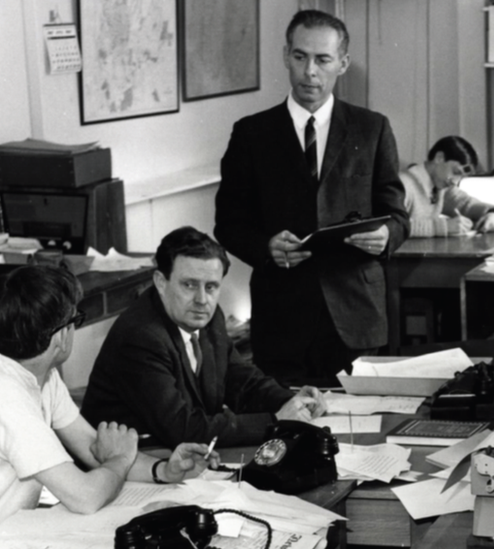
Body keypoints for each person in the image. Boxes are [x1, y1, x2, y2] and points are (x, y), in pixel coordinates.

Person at [214, 10, 409, 386]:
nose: (310, 72)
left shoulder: (372, 129)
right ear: (286, 55)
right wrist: (265, 247)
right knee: (290, 427)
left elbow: (397, 216)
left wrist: (386, 236)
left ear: (343, 63)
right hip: (282, 318)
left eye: (323, 59)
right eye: (300, 57)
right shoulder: (252, 134)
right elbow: (228, 223)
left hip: (356, 316)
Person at [0, 266, 215, 523]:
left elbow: (93, 446)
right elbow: (86, 497)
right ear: (60, 336)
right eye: (74, 319)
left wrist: (164, 470)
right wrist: (121, 458)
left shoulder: (41, 375)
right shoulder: (9, 398)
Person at [82, 227, 328, 449]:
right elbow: (181, 428)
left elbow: (242, 382)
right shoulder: (140, 337)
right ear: (160, 282)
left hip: (183, 453)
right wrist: (277, 421)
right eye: (189, 285)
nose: (202, 300)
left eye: (211, 287)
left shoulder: (207, 316)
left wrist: (293, 401)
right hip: (133, 461)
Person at [401, 136, 494, 237]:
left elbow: (467, 204)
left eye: (460, 177)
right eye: (456, 172)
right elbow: (391, 228)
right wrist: (444, 227)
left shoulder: (441, 187)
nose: (455, 182)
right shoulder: (403, 184)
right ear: (439, 158)